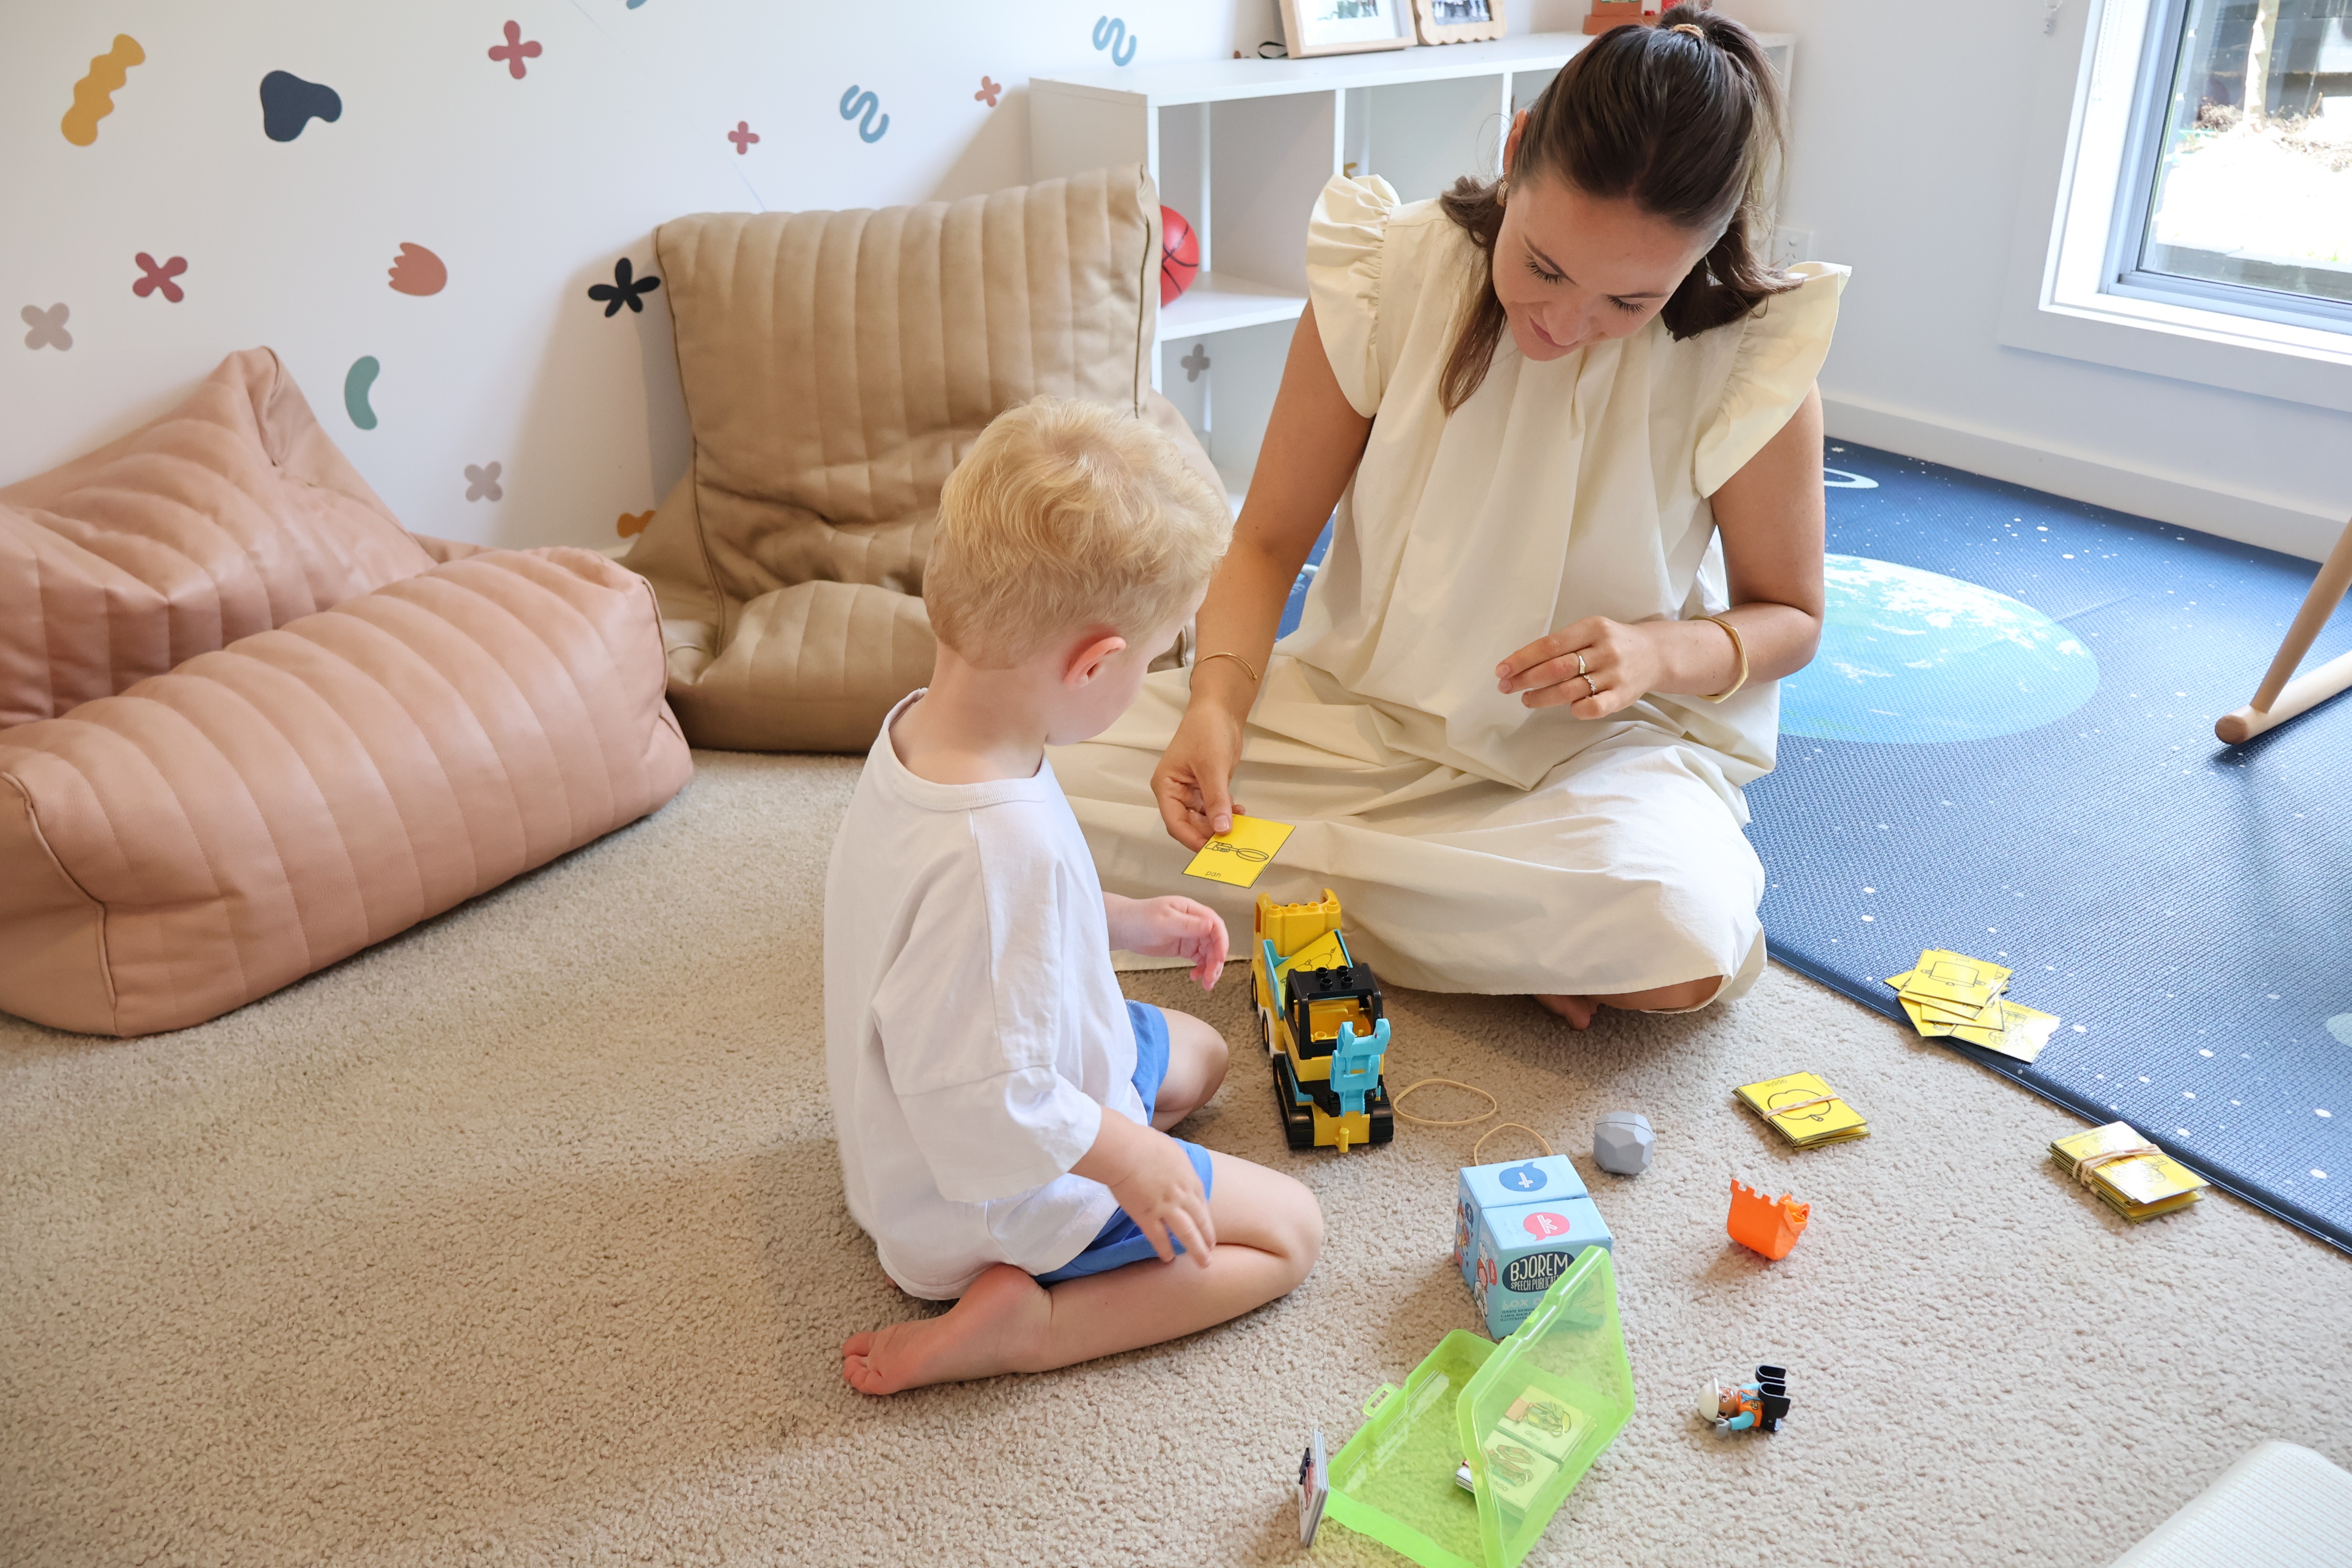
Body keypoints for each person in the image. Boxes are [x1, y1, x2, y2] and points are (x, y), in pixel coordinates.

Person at [1053, 9, 1846, 1026]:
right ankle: (1493, 938)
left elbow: (1792, 619)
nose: (1567, 324)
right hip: (1352, 720)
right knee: (1040, 779)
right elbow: (1262, 543)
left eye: (1629, 303)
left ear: (1696, 261)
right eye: (1547, 267)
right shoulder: (1389, 269)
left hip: (1585, 765)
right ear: (1516, 153)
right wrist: (1214, 707)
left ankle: (1400, 909)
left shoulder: (1750, 352)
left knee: (1680, 930)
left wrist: (1659, 654)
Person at [827, 397, 1324, 1397]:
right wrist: (1128, 1158)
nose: (1149, 680)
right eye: (1153, 660)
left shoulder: (937, 731)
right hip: (976, 1194)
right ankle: (1032, 1322)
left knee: (1206, 1053)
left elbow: (989, 934)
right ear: (1097, 662)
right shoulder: (989, 850)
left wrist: (1122, 919)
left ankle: (1108, 1149)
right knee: (1290, 1235)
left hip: (949, 1100)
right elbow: (986, 1097)